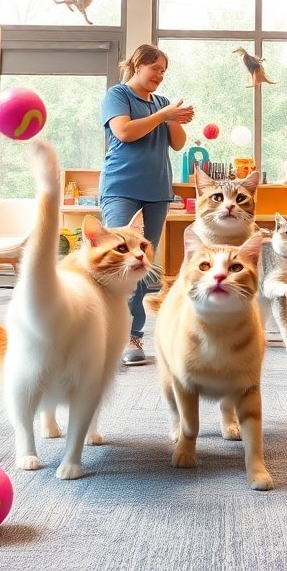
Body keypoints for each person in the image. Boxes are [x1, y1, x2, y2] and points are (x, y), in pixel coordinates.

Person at [100, 44, 193, 365]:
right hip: (121, 188)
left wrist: (174, 118)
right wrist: (164, 116)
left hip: (156, 191)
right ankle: (109, 332)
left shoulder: (162, 103)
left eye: (164, 71)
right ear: (138, 65)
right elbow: (124, 132)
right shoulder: (118, 95)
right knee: (119, 261)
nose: (160, 75)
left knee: (140, 265)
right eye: (155, 68)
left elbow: (178, 144)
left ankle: (133, 335)